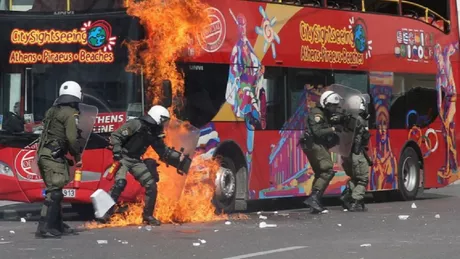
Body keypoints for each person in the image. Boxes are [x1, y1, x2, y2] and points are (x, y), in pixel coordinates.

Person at [98, 105, 180, 226]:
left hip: (136, 160)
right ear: (157, 117)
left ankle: (148, 216)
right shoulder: (135, 124)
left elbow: (161, 150)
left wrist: (178, 159)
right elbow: (116, 136)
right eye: (163, 120)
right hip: (123, 158)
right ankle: (105, 213)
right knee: (120, 184)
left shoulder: (154, 132)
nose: (164, 123)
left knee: (151, 186)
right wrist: (116, 152)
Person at [35, 81, 84, 238]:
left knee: (56, 191)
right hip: (52, 156)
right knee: (54, 192)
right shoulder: (70, 113)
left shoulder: (52, 111)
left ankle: (57, 225)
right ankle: (44, 227)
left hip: (44, 154)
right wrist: (77, 156)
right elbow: (71, 138)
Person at [301, 90, 342, 213]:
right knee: (327, 170)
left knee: (320, 172)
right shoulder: (317, 113)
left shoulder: (323, 113)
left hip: (315, 144)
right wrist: (333, 129)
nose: (334, 108)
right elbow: (317, 132)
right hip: (314, 144)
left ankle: (315, 201)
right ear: (326, 104)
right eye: (333, 106)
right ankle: (314, 198)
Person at [340, 95, 372, 212]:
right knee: (363, 179)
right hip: (357, 153)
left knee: (355, 177)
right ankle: (355, 201)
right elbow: (363, 135)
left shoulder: (346, 120)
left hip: (346, 154)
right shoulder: (358, 120)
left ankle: (347, 195)